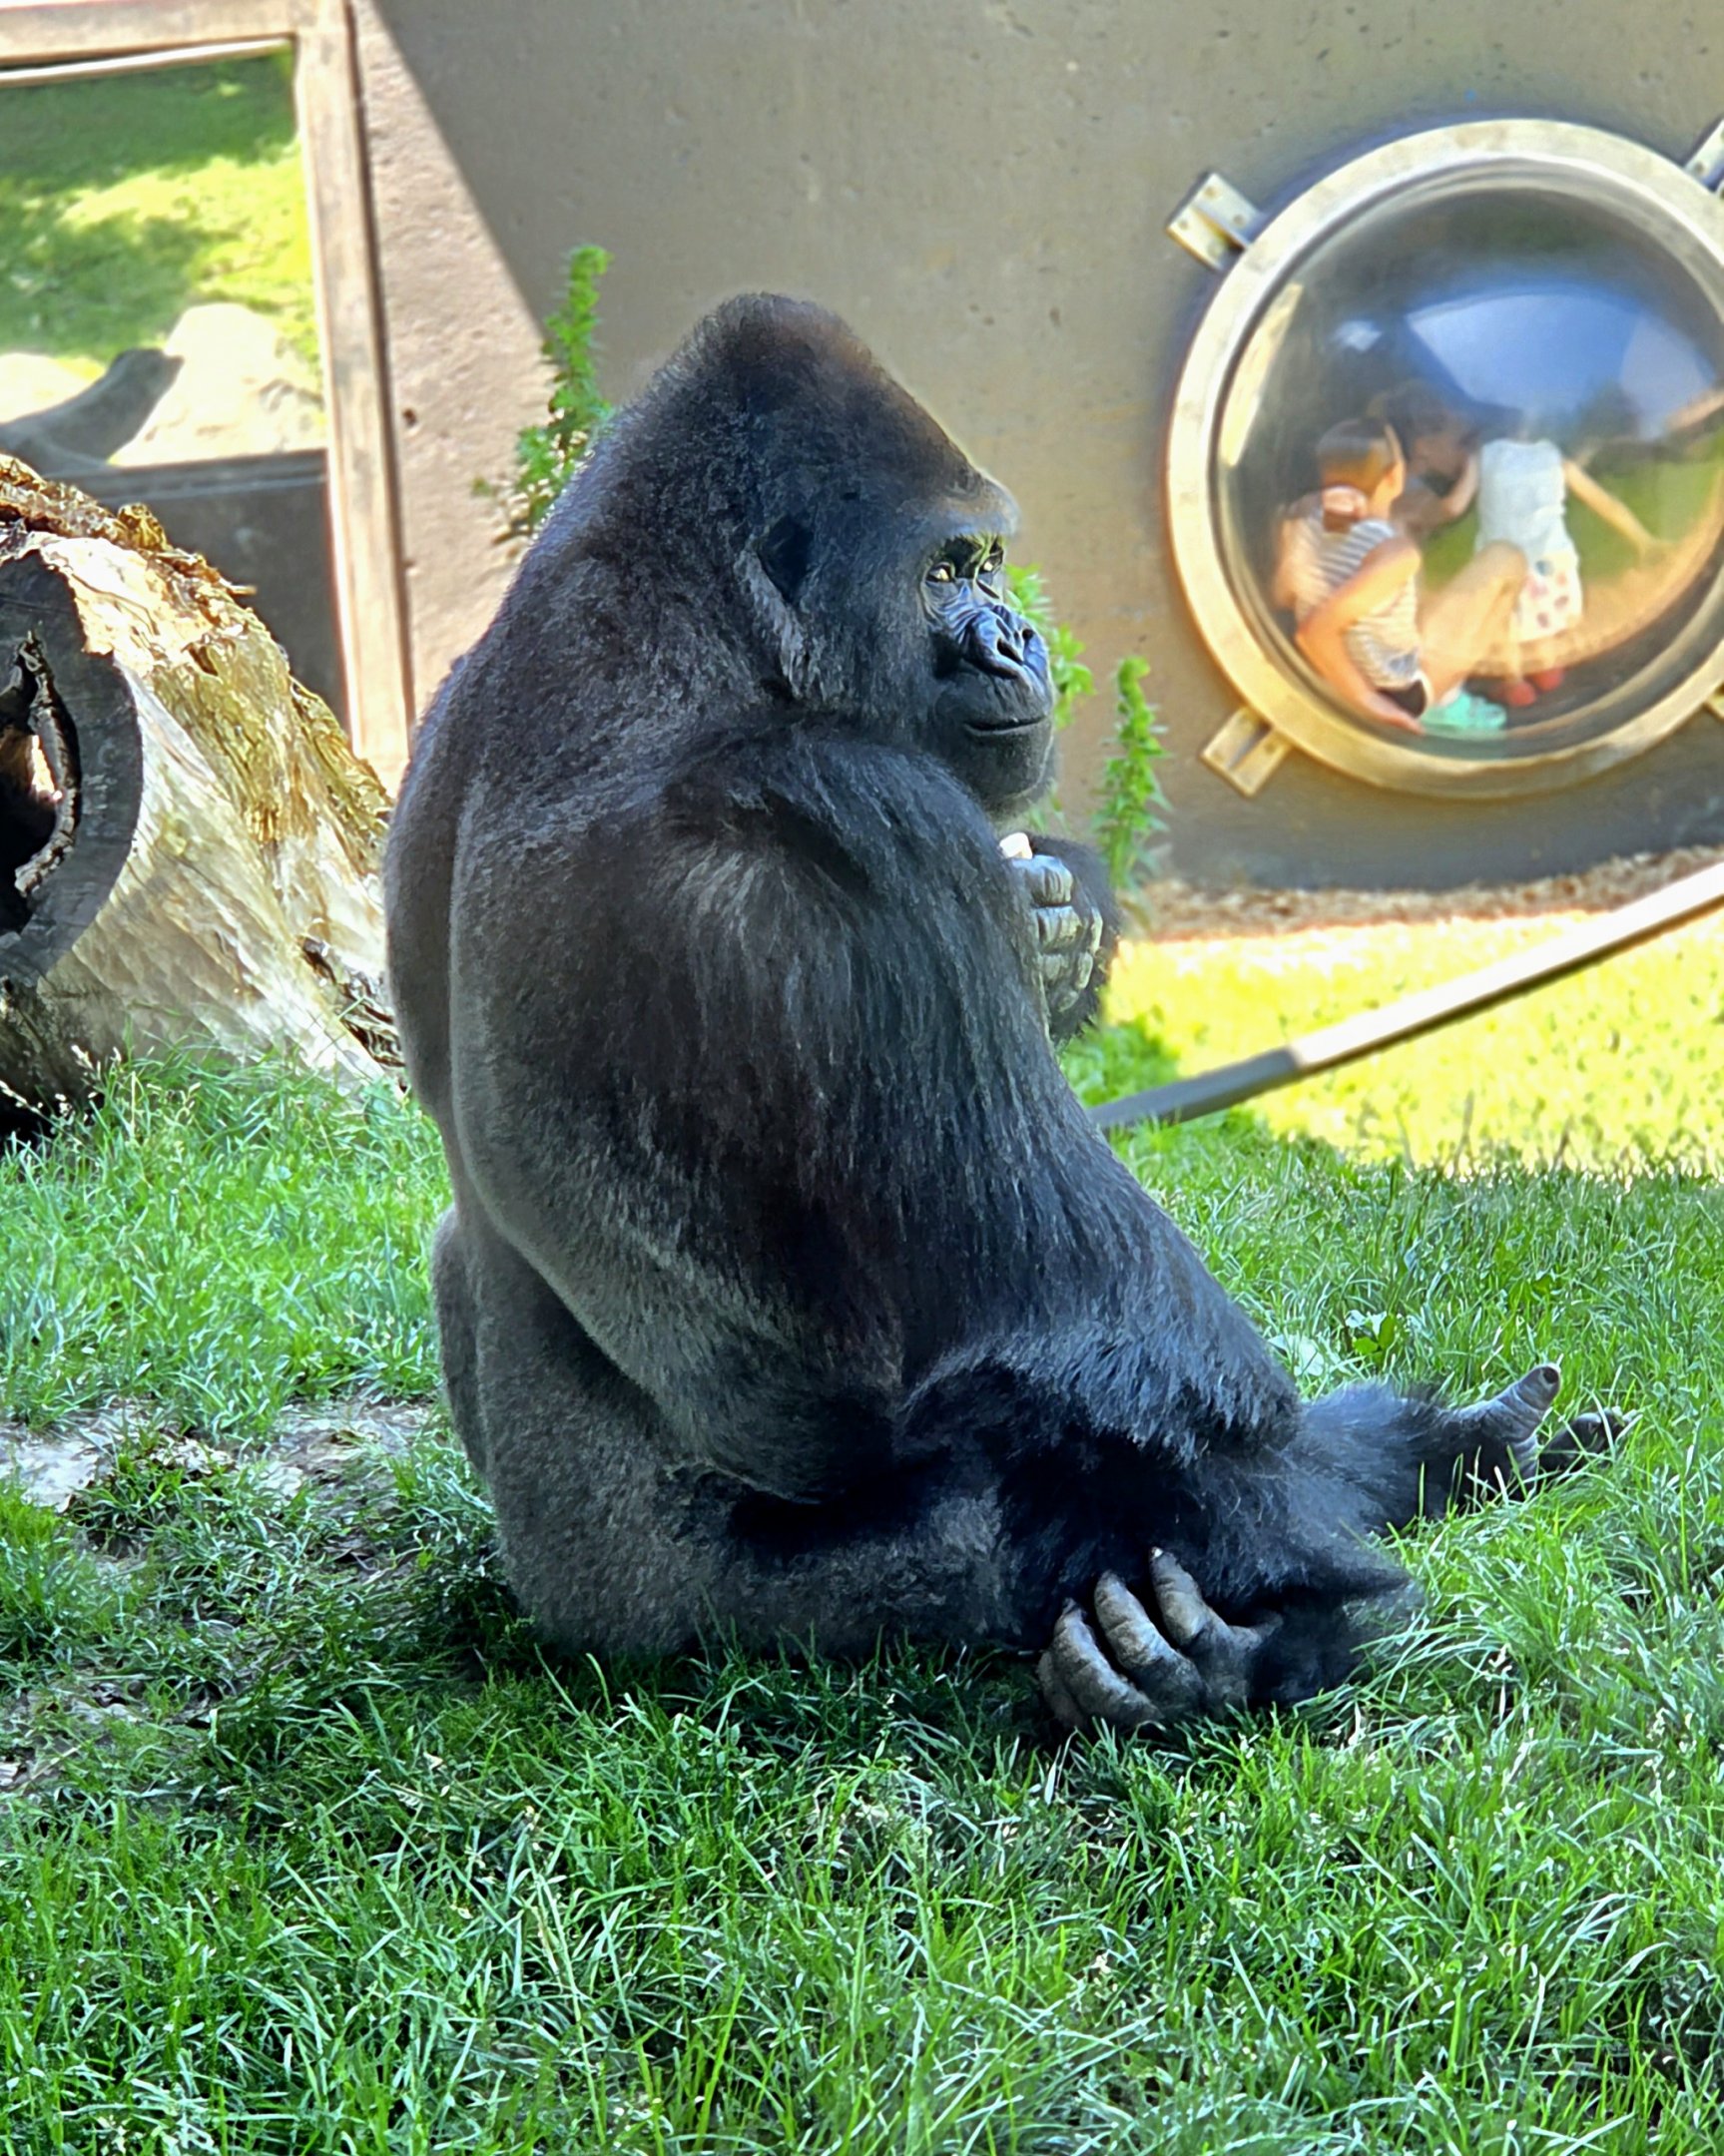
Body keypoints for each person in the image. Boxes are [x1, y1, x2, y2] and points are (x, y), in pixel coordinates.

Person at [1276, 418, 1524, 733]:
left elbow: (1284, 594)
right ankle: (1447, 702)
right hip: (1400, 692)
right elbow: (1313, 633)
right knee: (1507, 558)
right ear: (1396, 476)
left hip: (1331, 673)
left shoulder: (1304, 517)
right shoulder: (1395, 553)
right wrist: (1372, 704)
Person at [1472, 429, 1660, 705]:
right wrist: (1643, 539)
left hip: (1505, 562)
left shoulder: (1484, 458)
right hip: (1553, 559)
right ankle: (1547, 666)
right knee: (1546, 616)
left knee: (1506, 623)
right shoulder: (1554, 458)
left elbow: (1454, 507)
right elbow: (1605, 503)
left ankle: (1514, 682)